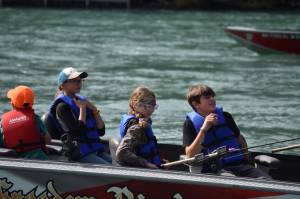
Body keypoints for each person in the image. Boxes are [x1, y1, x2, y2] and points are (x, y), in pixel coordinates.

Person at [183, 84, 270, 178]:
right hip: (215, 170)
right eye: (207, 97)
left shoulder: (226, 116)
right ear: (196, 104)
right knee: (233, 181)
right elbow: (190, 155)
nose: (212, 99)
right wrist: (203, 129)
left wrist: (248, 161)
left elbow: (240, 139)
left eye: (213, 96)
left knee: (267, 181)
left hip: (241, 166)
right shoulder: (189, 124)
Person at [46, 67, 111, 164]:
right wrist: (82, 109)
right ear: (63, 85)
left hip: (93, 149)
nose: (78, 83)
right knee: (109, 168)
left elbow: (101, 131)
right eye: (73, 81)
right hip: (78, 153)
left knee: (118, 165)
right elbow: (76, 134)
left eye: (80, 80)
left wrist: (94, 110)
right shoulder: (62, 107)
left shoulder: (82, 101)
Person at [116, 86, 167, 169]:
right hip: (138, 170)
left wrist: (160, 162)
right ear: (135, 105)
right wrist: (147, 164)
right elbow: (122, 153)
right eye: (148, 105)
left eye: (153, 106)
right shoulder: (137, 127)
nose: (151, 110)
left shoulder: (143, 123)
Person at [0, 85, 51, 160]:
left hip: (15, 161)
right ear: (31, 103)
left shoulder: (2, 122)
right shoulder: (35, 118)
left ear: (13, 103)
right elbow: (48, 140)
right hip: (40, 159)